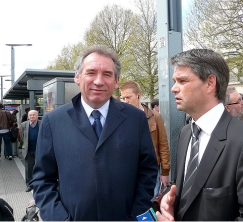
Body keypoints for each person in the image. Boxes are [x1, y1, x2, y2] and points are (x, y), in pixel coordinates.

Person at [30, 45, 158, 221]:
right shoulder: (53, 122)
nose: (99, 81)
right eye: (91, 72)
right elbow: (42, 180)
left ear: (116, 81)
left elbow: (148, 171)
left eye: (107, 74)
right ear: (77, 76)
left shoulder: (135, 119)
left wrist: (136, 216)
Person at [157, 49, 243, 221]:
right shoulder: (186, 133)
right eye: (174, 81)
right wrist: (171, 201)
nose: (173, 88)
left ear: (210, 83)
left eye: (182, 81)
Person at [120, 81, 170, 199]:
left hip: (150, 170)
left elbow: (163, 145)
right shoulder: (120, 118)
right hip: (128, 170)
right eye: (123, 98)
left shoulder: (155, 117)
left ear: (139, 95)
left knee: (149, 205)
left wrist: (165, 172)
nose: (126, 101)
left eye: (128, 97)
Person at [20, 110, 41, 192]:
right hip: (28, 150)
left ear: (37, 116)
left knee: (40, 168)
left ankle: (39, 184)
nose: (32, 116)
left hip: (39, 150)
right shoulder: (23, 125)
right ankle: (29, 185)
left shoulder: (41, 123)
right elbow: (21, 137)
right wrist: (23, 147)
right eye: (30, 115)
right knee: (28, 169)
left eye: (33, 115)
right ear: (28, 116)